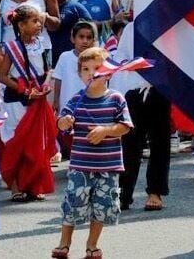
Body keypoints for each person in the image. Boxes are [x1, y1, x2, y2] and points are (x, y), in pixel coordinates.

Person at [51, 47, 133, 259]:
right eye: (85, 69)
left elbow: (125, 126)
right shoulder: (77, 99)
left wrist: (106, 131)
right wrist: (64, 121)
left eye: (97, 68)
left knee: (102, 206)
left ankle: (92, 244)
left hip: (108, 165)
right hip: (80, 165)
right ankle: (64, 242)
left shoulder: (116, 98)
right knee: (72, 203)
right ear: (79, 74)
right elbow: (62, 124)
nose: (91, 73)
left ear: (108, 72)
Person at [0, 4, 57, 202]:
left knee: (36, 142)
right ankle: (15, 185)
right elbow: (3, 76)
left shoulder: (41, 44)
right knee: (17, 141)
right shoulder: (11, 48)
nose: (39, 24)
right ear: (21, 26)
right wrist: (23, 90)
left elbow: (48, 69)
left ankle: (33, 184)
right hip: (17, 100)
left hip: (38, 97)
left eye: (39, 21)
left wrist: (46, 84)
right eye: (34, 21)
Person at [111, 22, 172, 211]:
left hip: (160, 90)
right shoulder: (131, 28)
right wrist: (138, 63)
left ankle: (155, 191)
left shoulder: (168, 26)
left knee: (160, 143)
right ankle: (124, 192)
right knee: (130, 143)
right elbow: (120, 59)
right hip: (134, 90)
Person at [52, 21, 99, 159]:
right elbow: (58, 79)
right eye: (81, 37)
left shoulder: (97, 58)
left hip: (89, 103)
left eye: (89, 37)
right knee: (71, 135)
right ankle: (75, 164)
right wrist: (56, 100)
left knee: (88, 133)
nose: (85, 41)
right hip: (69, 103)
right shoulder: (65, 57)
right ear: (73, 38)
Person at [48, 0, 93, 66]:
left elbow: (91, 30)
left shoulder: (76, 8)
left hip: (71, 58)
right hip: (47, 58)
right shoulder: (43, 7)